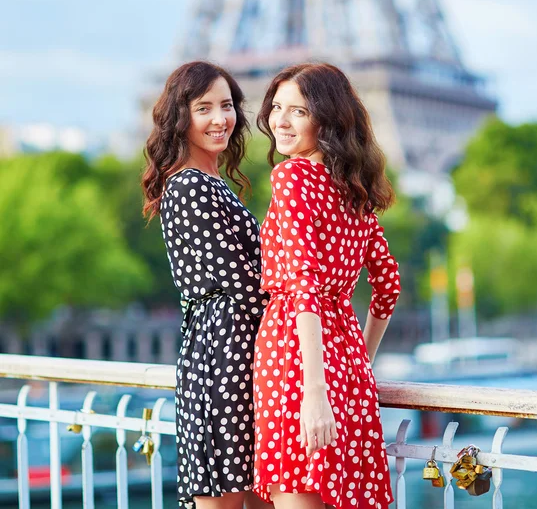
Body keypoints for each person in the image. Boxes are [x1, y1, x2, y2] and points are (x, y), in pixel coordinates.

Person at [252, 63, 401, 508]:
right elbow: (388, 285)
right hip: (349, 363)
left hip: (295, 360)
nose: (280, 120)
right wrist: (360, 364)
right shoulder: (354, 191)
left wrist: (314, 388)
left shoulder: (293, 177)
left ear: (326, 119)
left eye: (297, 111)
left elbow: (302, 283)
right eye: (277, 107)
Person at [142, 61, 269, 509]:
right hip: (228, 357)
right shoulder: (192, 186)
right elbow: (246, 285)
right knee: (230, 493)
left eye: (227, 105)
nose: (221, 118)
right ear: (182, 117)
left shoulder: (208, 182)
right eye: (204, 108)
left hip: (228, 350)